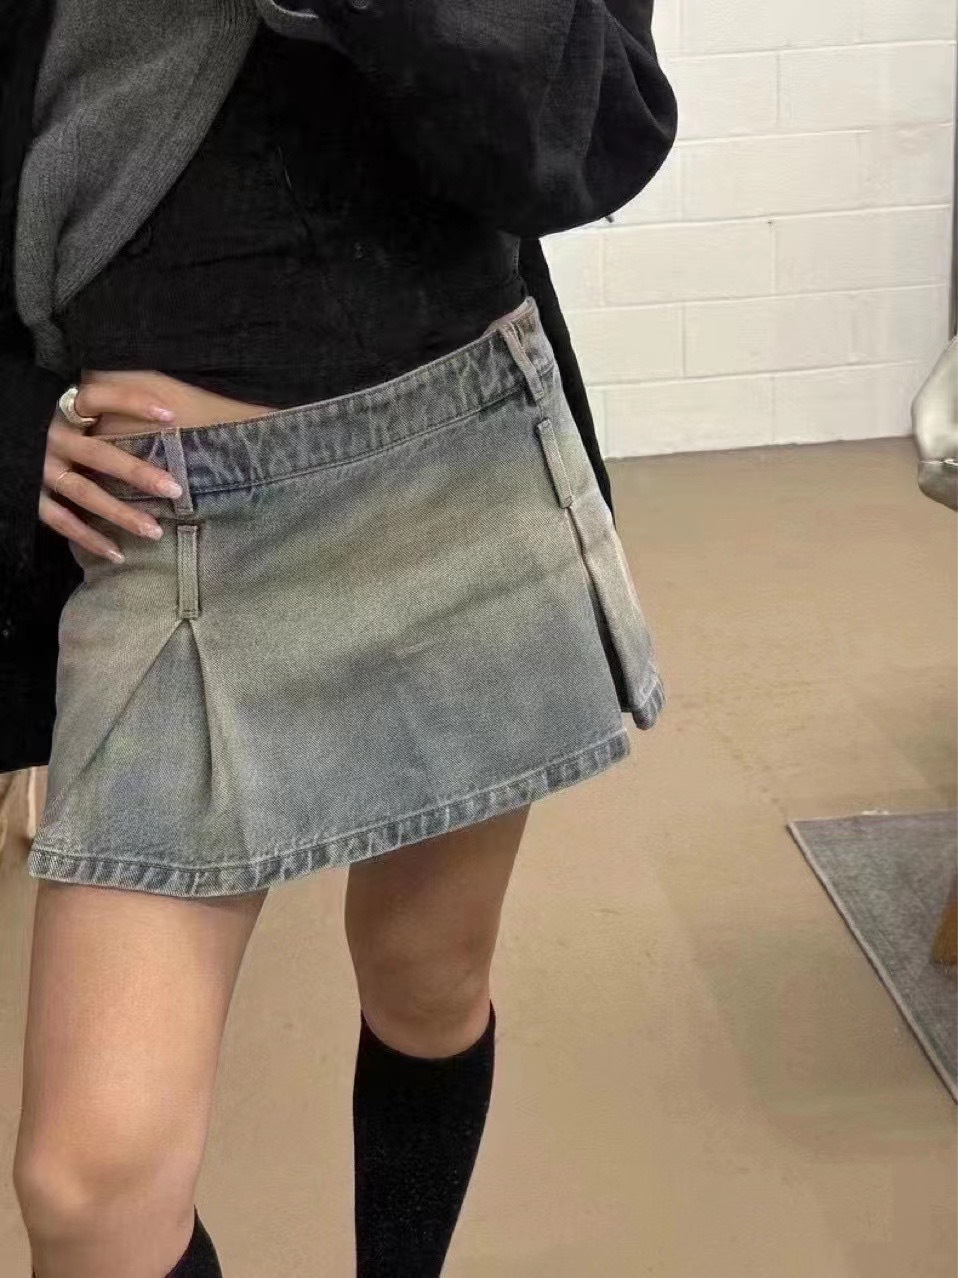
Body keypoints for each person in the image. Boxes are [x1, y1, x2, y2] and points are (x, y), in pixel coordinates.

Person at [0, 2, 677, 1275]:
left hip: (454, 451)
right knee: (88, 1189)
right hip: (161, 519)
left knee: (427, 978)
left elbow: (586, 128)